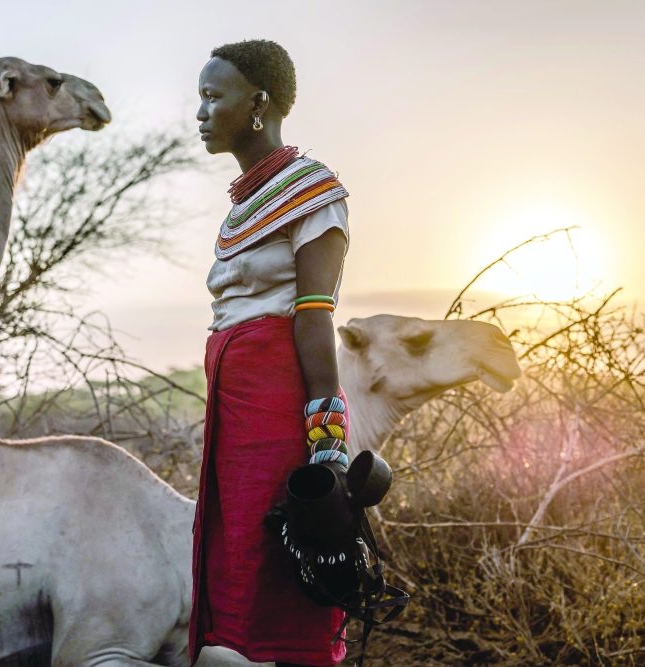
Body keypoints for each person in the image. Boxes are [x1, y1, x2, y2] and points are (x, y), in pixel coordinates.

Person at [190, 39, 351, 667]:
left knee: (277, 553)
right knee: (232, 555)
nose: (200, 112)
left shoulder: (313, 190)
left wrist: (328, 445)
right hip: (232, 409)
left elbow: (314, 319)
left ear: (257, 102)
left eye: (212, 96)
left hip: (277, 407)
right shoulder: (240, 209)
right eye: (198, 99)